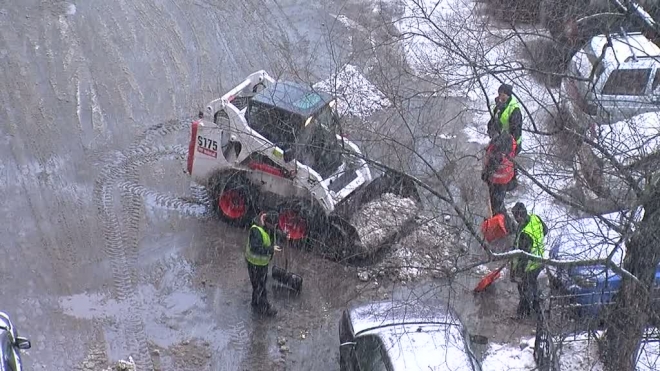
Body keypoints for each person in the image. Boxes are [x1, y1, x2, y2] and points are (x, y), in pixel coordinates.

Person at [510, 202, 548, 319]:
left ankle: (523, 313)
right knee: (532, 285)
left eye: (516, 217)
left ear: (520, 216)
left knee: (524, 288)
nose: (516, 220)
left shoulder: (525, 234)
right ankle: (537, 308)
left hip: (530, 265)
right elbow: (545, 230)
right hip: (540, 259)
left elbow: (523, 257)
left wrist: (518, 273)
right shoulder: (535, 218)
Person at [245, 211, 282, 316]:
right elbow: (255, 248)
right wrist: (270, 249)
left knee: (258, 285)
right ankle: (265, 308)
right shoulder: (256, 231)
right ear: (265, 220)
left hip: (261, 264)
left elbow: (275, 231)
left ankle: (256, 303)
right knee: (260, 286)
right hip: (254, 264)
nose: (273, 228)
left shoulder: (264, 226)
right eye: (272, 225)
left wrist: (283, 235)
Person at [488, 84, 523, 189]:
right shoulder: (499, 105)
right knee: (496, 160)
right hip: (500, 139)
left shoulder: (514, 109)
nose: (500, 97)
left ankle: (510, 182)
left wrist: (510, 145)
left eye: (502, 95)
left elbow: (516, 130)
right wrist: (491, 130)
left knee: (507, 163)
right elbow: (493, 120)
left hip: (511, 142)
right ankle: (496, 181)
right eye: (499, 94)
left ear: (508, 95)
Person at [481, 127, 517, 216]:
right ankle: (501, 219)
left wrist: (485, 175)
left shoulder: (497, 149)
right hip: (507, 177)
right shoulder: (508, 140)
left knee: (496, 204)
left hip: (498, 180)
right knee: (499, 201)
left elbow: (492, 165)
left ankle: (500, 222)